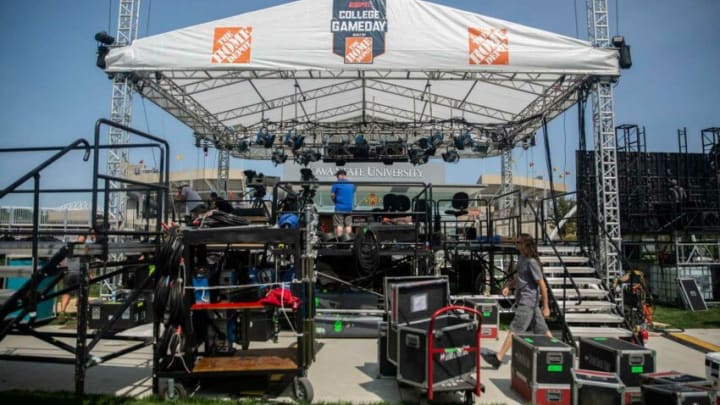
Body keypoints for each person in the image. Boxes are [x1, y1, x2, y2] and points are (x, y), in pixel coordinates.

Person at [482, 233, 552, 369]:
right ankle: (561, 351)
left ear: (526, 245)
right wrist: (508, 286)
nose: (517, 245)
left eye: (519, 243)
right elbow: (520, 278)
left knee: (515, 329)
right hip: (526, 301)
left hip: (528, 301)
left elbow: (542, 285)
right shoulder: (521, 258)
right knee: (543, 330)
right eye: (517, 242)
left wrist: (546, 307)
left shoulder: (532, 262)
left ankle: (498, 357)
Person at [330, 169, 356, 239]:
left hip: (339, 207)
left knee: (339, 225)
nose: (336, 178)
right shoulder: (351, 184)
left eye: (337, 176)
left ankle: (340, 241)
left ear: (340, 175)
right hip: (349, 208)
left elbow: (332, 195)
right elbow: (352, 193)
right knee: (348, 225)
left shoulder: (336, 184)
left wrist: (335, 201)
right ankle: (348, 240)